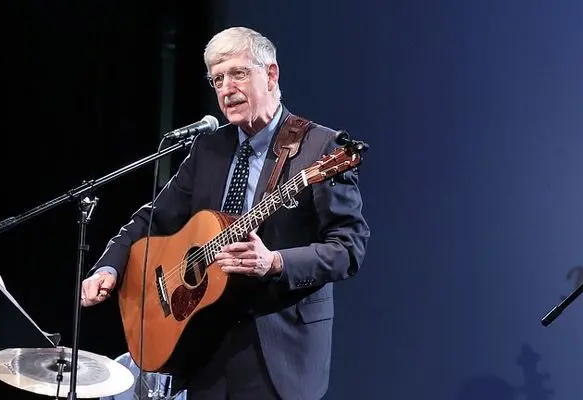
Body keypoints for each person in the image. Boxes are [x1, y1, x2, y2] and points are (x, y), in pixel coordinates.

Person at [80, 27, 370, 400]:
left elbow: (348, 248)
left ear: (271, 74)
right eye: (217, 79)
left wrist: (275, 261)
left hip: (278, 351)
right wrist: (110, 267)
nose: (226, 89)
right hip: (204, 347)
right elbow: (153, 218)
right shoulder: (208, 148)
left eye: (238, 73)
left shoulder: (321, 147)